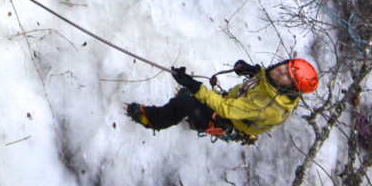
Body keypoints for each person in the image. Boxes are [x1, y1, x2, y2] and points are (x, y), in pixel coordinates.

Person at [125, 57, 318, 140]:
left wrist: (194, 85)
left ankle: (150, 119)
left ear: (291, 87)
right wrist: (252, 70)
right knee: (191, 97)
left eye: (286, 75)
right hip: (233, 104)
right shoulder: (276, 86)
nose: (280, 70)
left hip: (228, 118)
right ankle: (194, 116)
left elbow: (225, 109)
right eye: (285, 66)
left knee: (183, 103)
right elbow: (265, 82)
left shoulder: (267, 107)